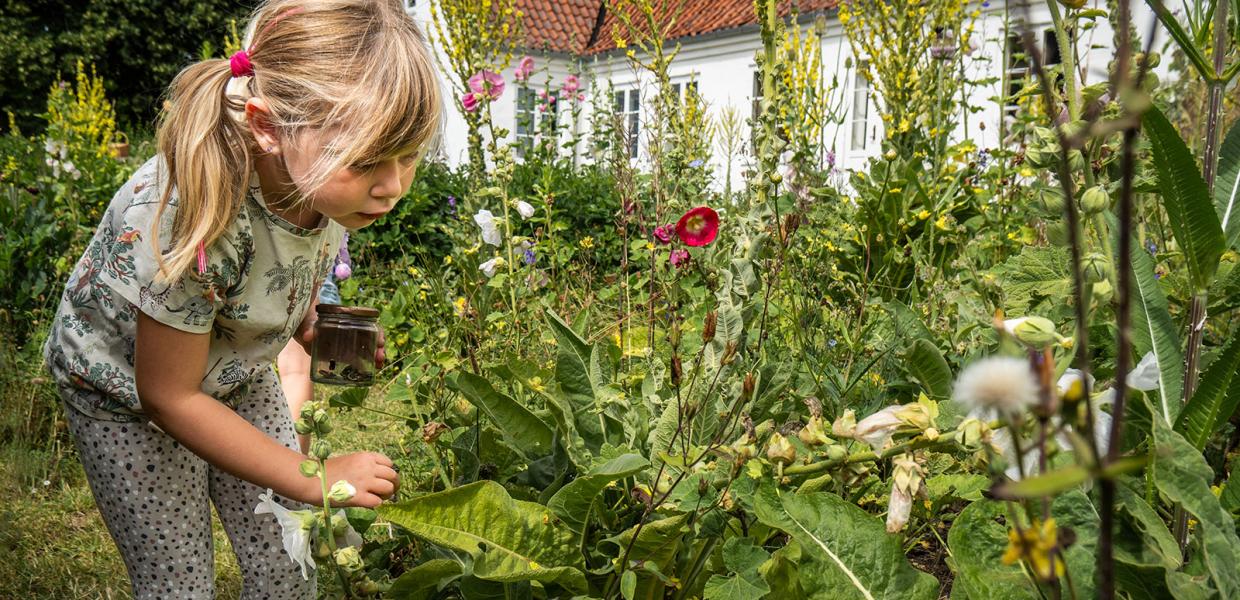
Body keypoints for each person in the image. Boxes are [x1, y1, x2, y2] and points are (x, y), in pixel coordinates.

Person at [40, 1, 441, 597]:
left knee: (287, 558)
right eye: (366, 162)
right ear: (267, 127)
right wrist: (314, 477)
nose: (392, 187)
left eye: (407, 157)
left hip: (233, 372)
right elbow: (168, 396)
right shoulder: (197, 214)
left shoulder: (323, 185)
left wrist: (314, 321)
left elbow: (275, 269)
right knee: (180, 582)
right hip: (125, 392)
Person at [277, 233, 350, 454]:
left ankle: (292, 469)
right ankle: (294, 465)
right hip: (309, 260)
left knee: (295, 370)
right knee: (296, 372)